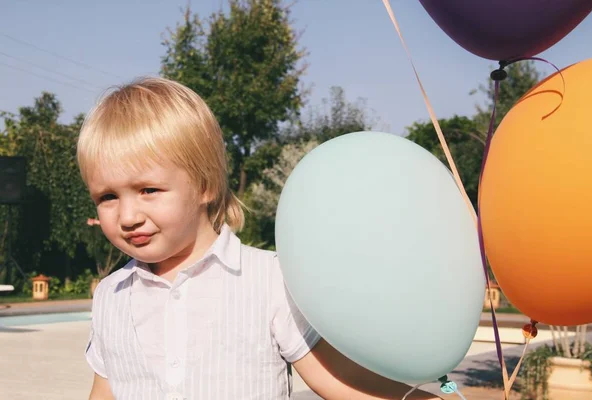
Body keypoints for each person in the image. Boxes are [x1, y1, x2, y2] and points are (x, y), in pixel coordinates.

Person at [77, 77, 441, 400]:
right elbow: (105, 390)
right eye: (107, 197)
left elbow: (340, 381)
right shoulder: (111, 295)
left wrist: (438, 396)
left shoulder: (270, 280)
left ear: (204, 185)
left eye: (149, 189)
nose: (127, 216)